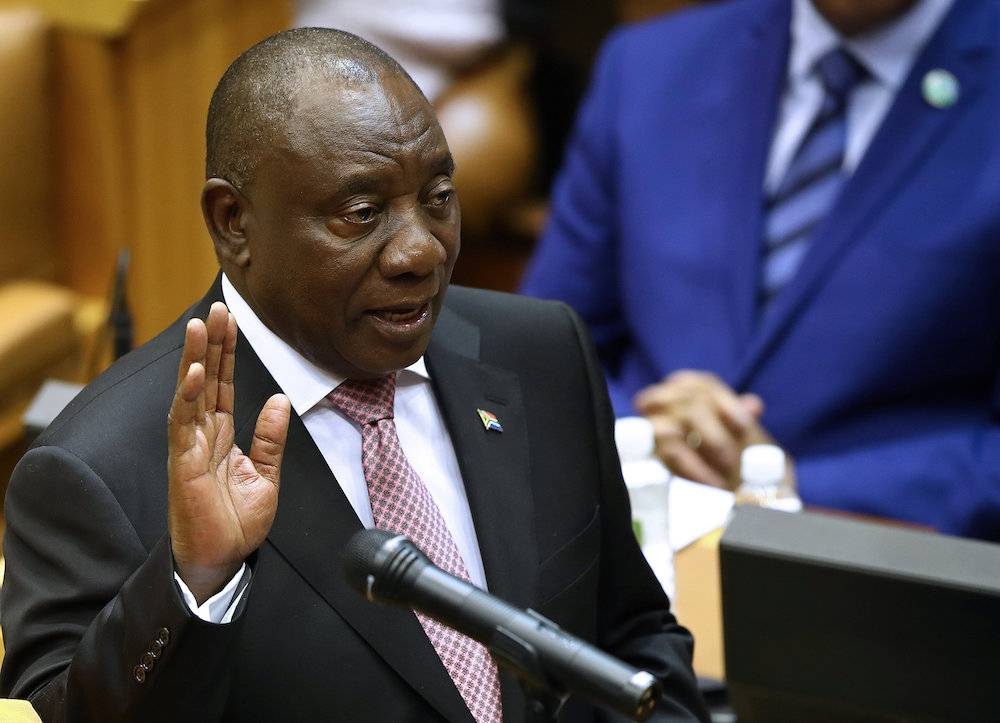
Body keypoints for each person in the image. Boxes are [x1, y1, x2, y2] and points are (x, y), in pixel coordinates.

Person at [0, 27, 707, 723]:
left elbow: (633, 637)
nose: (420, 252)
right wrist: (192, 583)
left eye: (438, 196)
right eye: (362, 213)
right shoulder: (95, 468)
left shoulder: (539, 352)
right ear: (233, 221)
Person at [520, 0, 1000, 540]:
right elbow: (539, 350)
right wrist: (640, 439)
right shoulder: (649, 64)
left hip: (883, 555)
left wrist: (787, 485)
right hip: (630, 535)